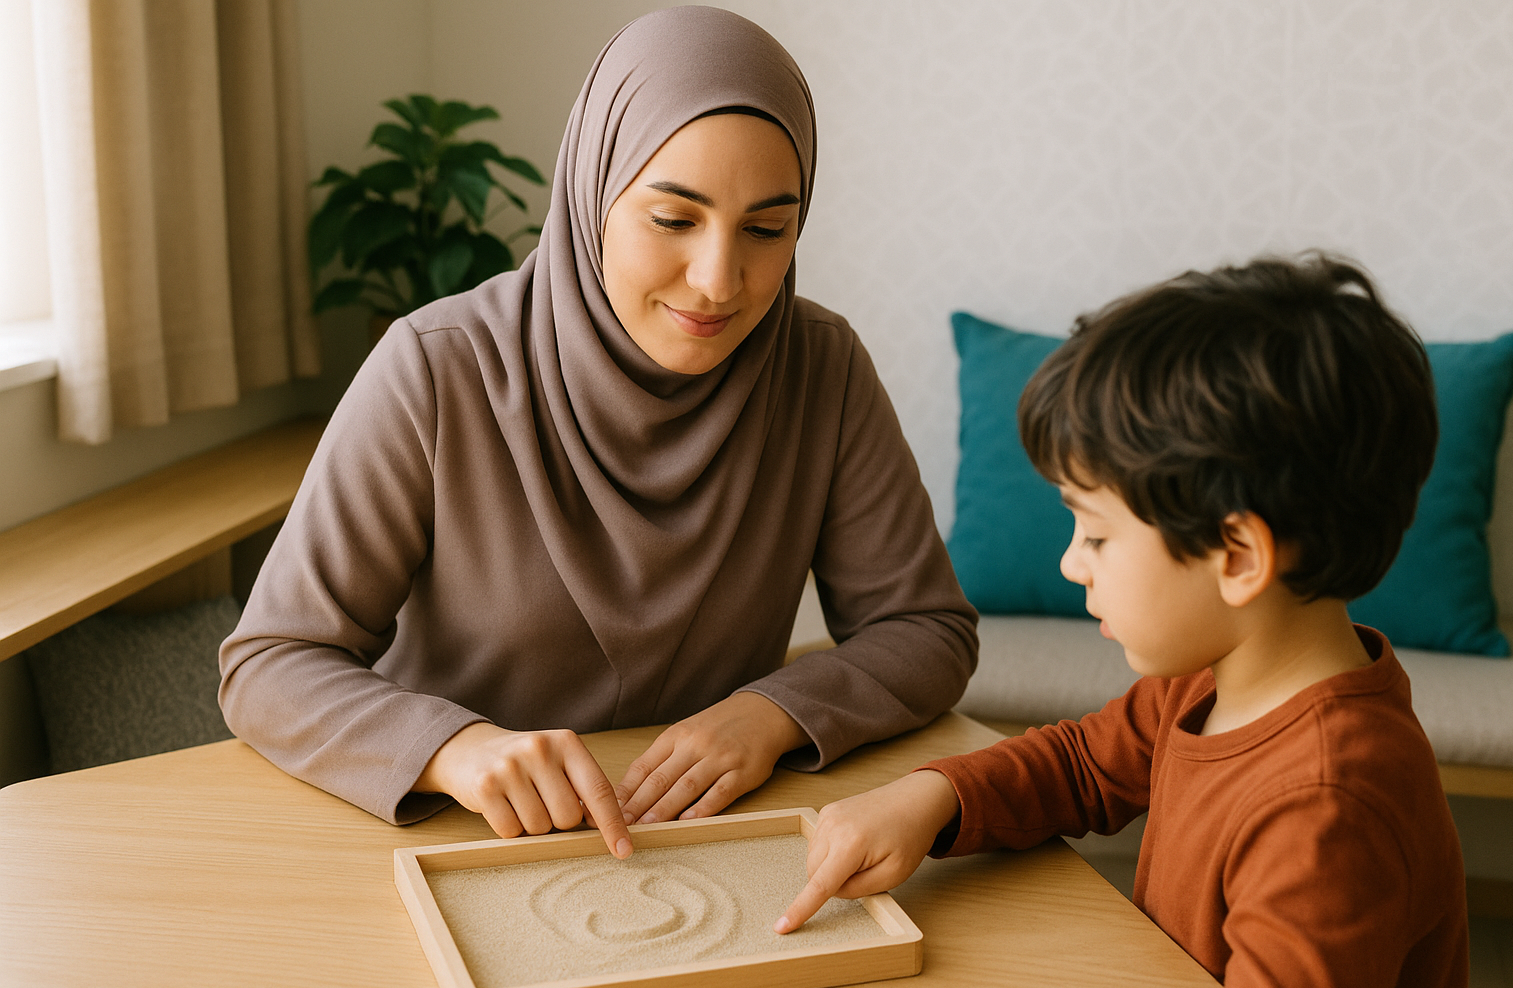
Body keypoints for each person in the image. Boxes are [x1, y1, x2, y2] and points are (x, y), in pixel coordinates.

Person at [218, 6, 977, 857]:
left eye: (767, 230)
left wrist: (771, 714)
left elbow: (927, 631)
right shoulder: (436, 369)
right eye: (673, 220)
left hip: (704, 844)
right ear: (592, 193)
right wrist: (452, 750)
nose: (719, 280)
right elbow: (271, 662)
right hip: (458, 843)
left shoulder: (820, 367)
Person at [776, 253, 1470, 988]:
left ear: (1237, 557)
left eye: (1097, 534)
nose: (1071, 561)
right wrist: (928, 798)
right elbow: (1079, 765)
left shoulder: (1329, 812)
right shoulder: (1214, 680)